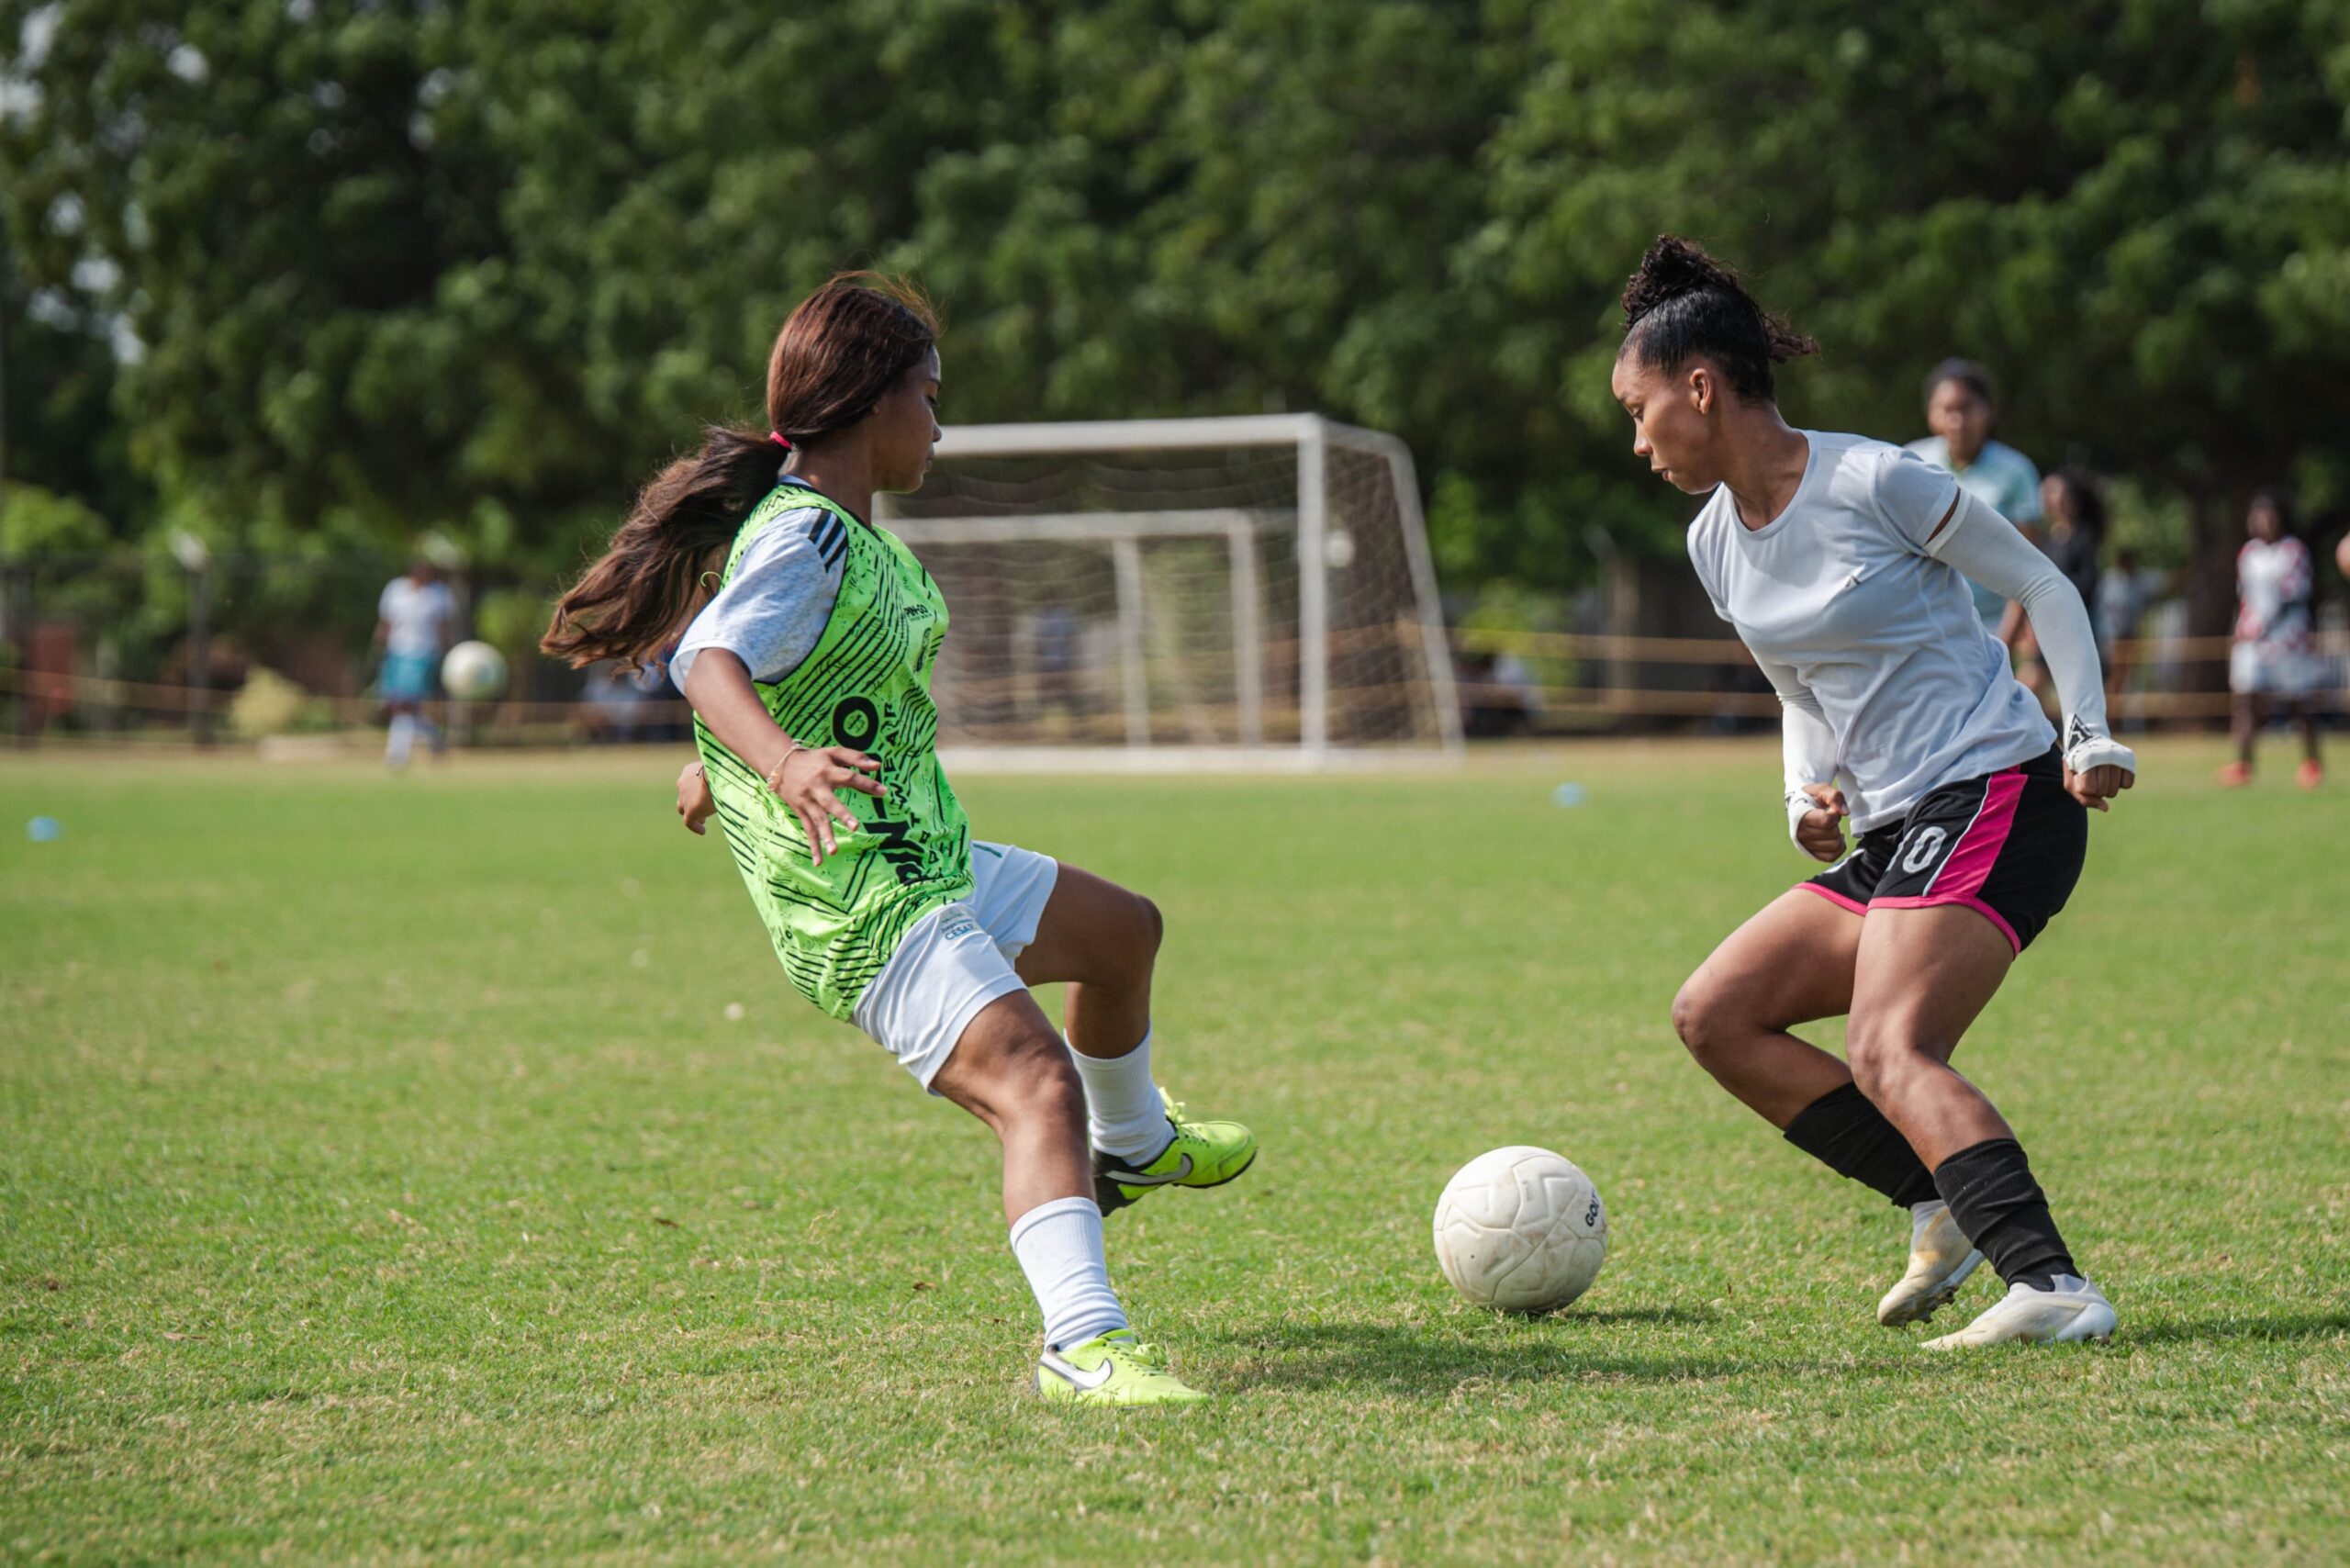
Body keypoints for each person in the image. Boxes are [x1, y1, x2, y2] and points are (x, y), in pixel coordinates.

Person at [540, 274, 1254, 1406]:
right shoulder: (809, 538)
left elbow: (783, 680)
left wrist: (723, 763)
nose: (939, 419)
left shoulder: (850, 542)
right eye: (928, 393)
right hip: (856, 893)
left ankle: (1132, 1144)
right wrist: (771, 762)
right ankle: (1082, 1343)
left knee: (1123, 931)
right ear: (873, 402)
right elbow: (709, 659)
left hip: (926, 855)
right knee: (1032, 1079)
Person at [1609, 237, 2136, 1349]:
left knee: (1885, 1045)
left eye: (1639, 407)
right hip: (1899, 826)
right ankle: (1935, 1193)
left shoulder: (1875, 479)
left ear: (1699, 387)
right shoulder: (1713, 540)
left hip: (1998, 791)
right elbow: (1800, 682)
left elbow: (2040, 581)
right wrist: (1805, 787)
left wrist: (2086, 732)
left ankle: (2050, 1283)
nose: (1639, 438)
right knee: (1715, 1013)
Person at [1907, 360, 2042, 630]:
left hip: (1990, 624)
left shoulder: (2016, 471)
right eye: (1947, 410)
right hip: (1924, 622)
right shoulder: (1909, 463)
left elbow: (2029, 566)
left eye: (1966, 408)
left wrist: (2005, 641)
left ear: (1988, 411)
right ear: (1931, 414)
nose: (1957, 421)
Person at [2220, 488, 2323, 790]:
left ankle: (2311, 763)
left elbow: (2293, 596)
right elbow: (2245, 598)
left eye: (2267, 515)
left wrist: (2264, 626)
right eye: (2257, 515)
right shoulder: (2249, 553)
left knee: (2299, 702)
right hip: (2252, 640)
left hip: (2287, 639)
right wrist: (2242, 630)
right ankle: (2244, 764)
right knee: (2245, 700)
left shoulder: (2293, 550)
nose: (2261, 521)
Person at [2003, 466, 2106, 702]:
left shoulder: (2084, 537)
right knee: (2027, 686)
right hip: (2047, 627)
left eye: (2053, 491)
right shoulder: (2048, 541)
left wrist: (2053, 595)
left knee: (2074, 695)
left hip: (2075, 627)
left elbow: (2088, 583)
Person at [374, 558, 454, 770]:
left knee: (406, 704)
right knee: (397, 704)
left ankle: (397, 755)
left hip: (423, 654)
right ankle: (435, 739)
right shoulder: (395, 589)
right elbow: (386, 621)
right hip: (397, 652)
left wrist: (445, 655)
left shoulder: (438, 595)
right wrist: (378, 646)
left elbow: (443, 628)